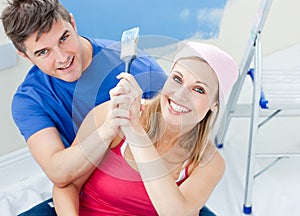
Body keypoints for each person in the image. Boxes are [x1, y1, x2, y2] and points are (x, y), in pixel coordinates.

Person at [1, 0, 167, 215]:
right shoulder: (30, 100)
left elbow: (183, 135)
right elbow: (60, 174)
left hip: (148, 184)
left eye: (64, 38)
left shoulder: (137, 65)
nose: (62, 58)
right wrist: (107, 129)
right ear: (24, 55)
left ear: (73, 23)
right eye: (43, 52)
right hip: (84, 190)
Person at [52, 41, 238, 215]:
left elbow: (176, 212)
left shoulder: (209, 162)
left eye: (199, 89)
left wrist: (135, 131)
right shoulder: (112, 114)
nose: (180, 95)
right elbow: (66, 185)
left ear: (215, 104)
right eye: (177, 79)